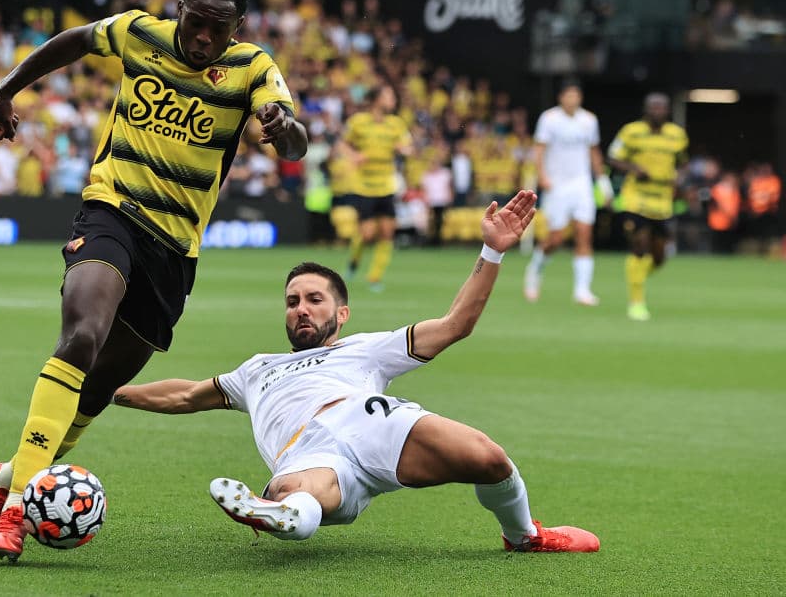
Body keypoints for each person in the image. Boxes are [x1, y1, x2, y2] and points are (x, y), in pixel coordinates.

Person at [0, 0, 308, 562]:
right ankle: (19, 505)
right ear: (179, 8)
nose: (203, 38)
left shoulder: (253, 67)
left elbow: (295, 142)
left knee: (98, 388)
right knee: (81, 337)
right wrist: (7, 88)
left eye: (218, 29)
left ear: (238, 27)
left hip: (173, 250)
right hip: (111, 212)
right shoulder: (139, 34)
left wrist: (284, 129)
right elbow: (75, 40)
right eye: (195, 22)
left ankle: (10, 475)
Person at [112, 191, 599, 553]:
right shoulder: (257, 370)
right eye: (292, 302)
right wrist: (112, 389)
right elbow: (183, 396)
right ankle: (276, 513)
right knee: (301, 495)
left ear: (340, 314)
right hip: (308, 449)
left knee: (489, 458)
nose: (301, 309)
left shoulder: (367, 348)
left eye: (314, 300)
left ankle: (525, 536)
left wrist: (492, 251)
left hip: (373, 423)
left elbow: (456, 325)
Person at [523, 83, 612, 306]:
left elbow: (594, 151)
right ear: (561, 97)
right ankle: (535, 269)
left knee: (584, 234)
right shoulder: (549, 119)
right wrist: (542, 176)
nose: (572, 100)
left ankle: (582, 290)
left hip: (581, 185)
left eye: (576, 96)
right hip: (557, 185)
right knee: (556, 238)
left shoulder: (589, 120)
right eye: (569, 96)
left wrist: (602, 182)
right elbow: (540, 149)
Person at [607, 93, 688, 321]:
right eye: (654, 106)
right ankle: (636, 302)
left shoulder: (677, 135)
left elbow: (683, 163)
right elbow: (613, 157)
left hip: (662, 201)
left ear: (668, 110)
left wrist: (679, 178)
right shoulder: (631, 131)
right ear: (645, 109)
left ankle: (638, 276)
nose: (658, 110)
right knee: (639, 245)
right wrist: (634, 168)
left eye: (662, 107)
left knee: (659, 257)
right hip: (636, 198)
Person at [341, 84, 413, 291]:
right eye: (389, 95)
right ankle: (354, 262)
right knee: (366, 234)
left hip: (386, 185)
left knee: (387, 232)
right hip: (363, 186)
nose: (393, 100)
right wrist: (354, 156)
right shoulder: (358, 122)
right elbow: (343, 144)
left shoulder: (396, 124)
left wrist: (404, 149)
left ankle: (374, 277)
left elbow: (408, 145)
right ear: (376, 99)